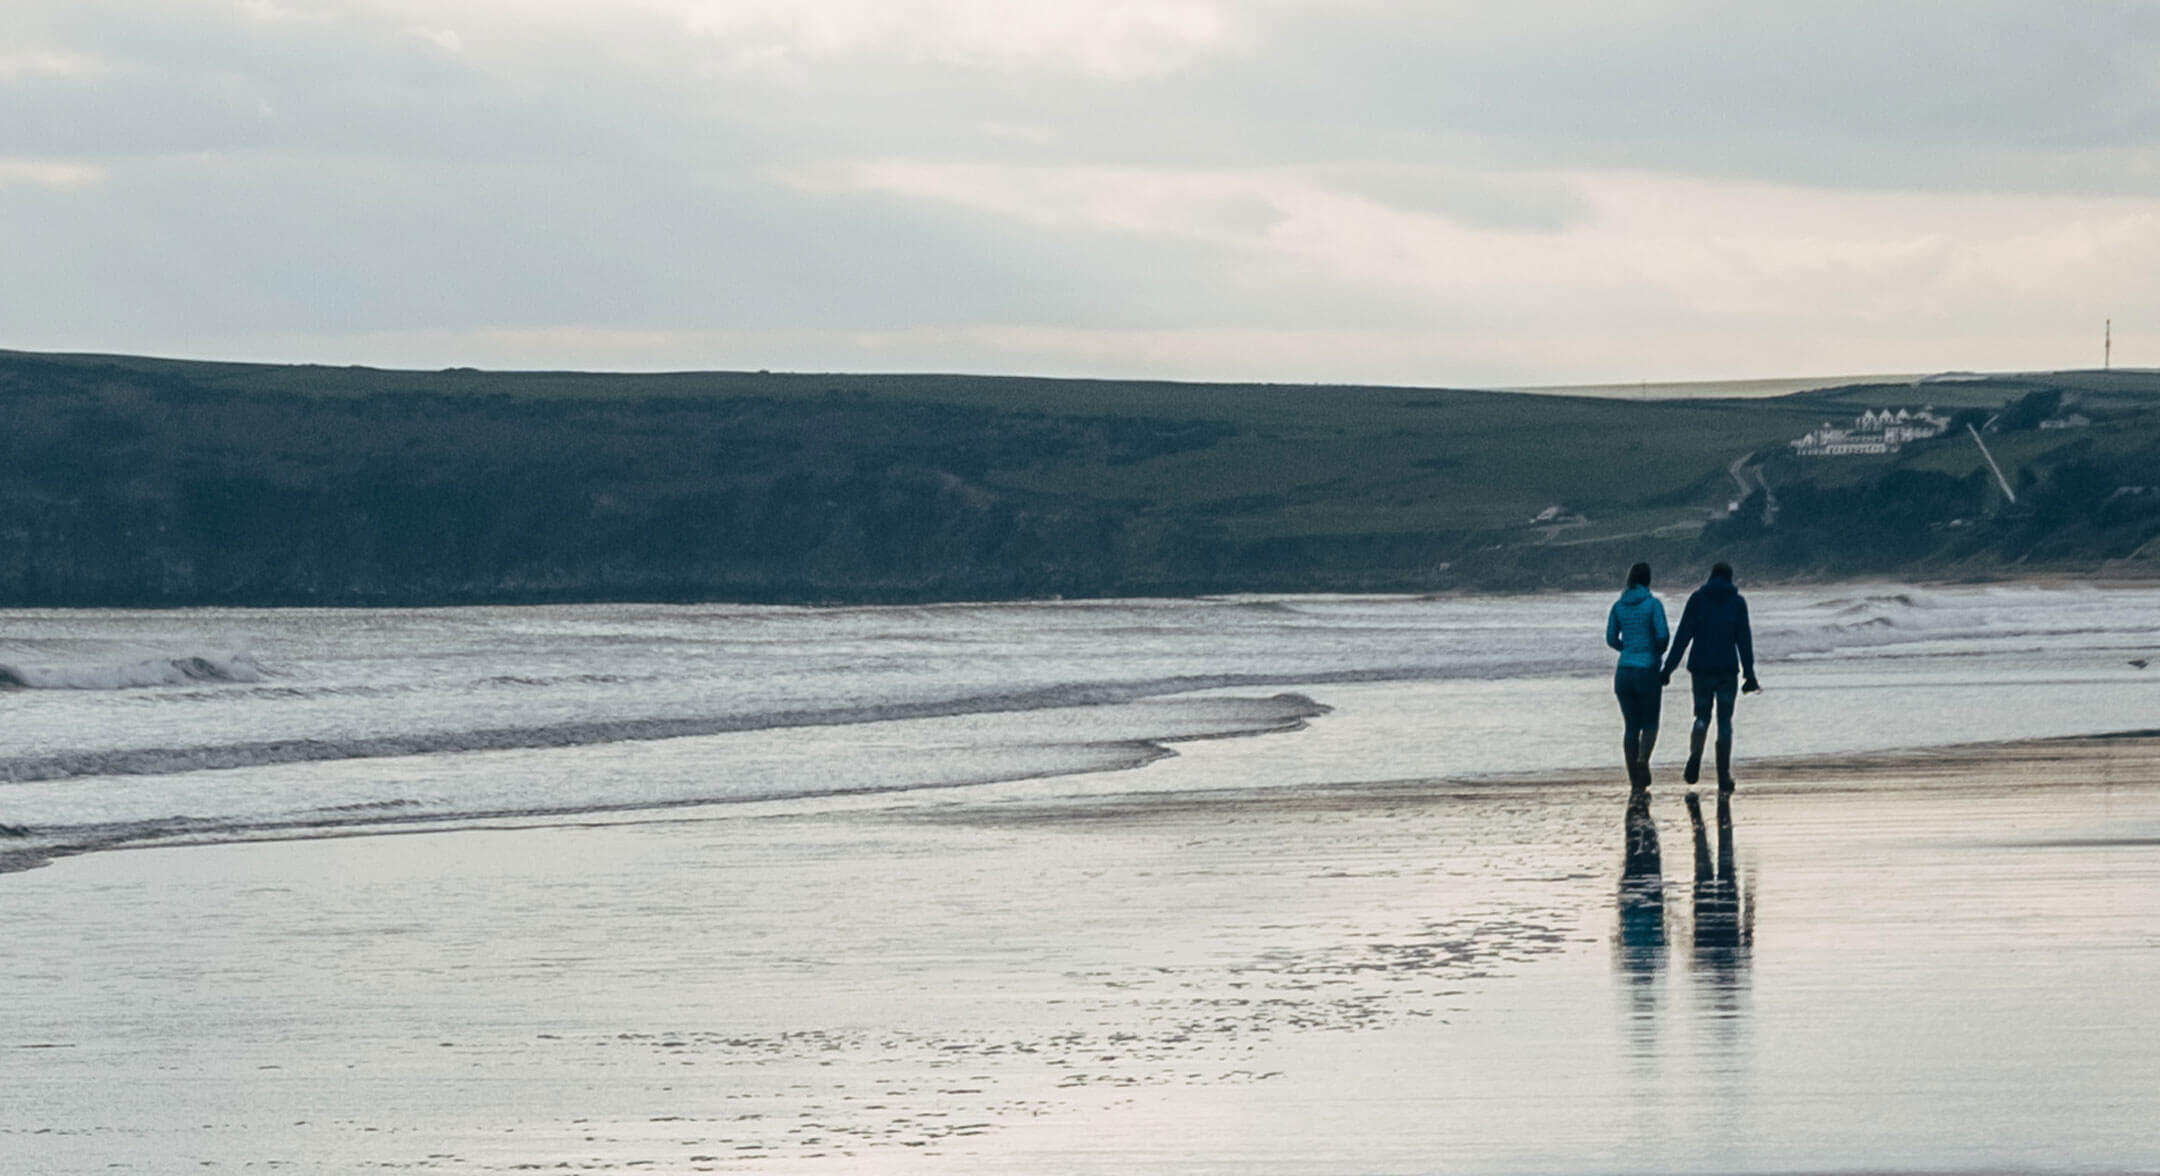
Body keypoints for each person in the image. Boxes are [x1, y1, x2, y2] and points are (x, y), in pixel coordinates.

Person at [1660, 562, 1760, 792]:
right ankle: (1723, 777)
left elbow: (1683, 636)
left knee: (1702, 715)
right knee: (1725, 722)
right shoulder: (1737, 602)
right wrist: (1750, 674)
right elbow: (1744, 640)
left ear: (1711, 576)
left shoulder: (1697, 599)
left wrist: (1668, 669)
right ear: (1730, 578)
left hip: (1701, 669)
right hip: (1727, 670)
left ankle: (1695, 755)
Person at [1605, 561, 1669, 791]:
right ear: (1648, 579)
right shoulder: (1653, 605)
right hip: (1647, 670)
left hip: (1624, 672)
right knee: (1650, 722)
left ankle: (1634, 779)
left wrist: (1628, 649)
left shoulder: (1618, 606)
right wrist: (1654, 652)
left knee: (1631, 726)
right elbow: (1662, 635)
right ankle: (1643, 760)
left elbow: (1611, 638)